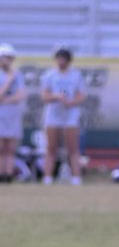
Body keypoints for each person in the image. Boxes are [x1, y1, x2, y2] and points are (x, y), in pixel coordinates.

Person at [40, 47, 86, 185]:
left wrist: (70, 102)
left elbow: (81, 95)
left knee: (72, 148)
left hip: (70, 115)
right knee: (51, 148)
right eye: (58, 58)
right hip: (53, 115)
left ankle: (76, 177)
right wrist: (56, 97)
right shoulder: (50, 75)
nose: (61, 61)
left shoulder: (76, 75)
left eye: (63, 58)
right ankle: (47, 177)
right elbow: (44, 95)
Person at [0, 43, 27, 184]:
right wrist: (9, 82)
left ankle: (8, 174)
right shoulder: (9, 77)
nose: (9, 61)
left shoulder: (17, 75)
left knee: (10, 147)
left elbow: (21, 95)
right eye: (6, 57)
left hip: (13, 115)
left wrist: (7, 99)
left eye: (11, 58)